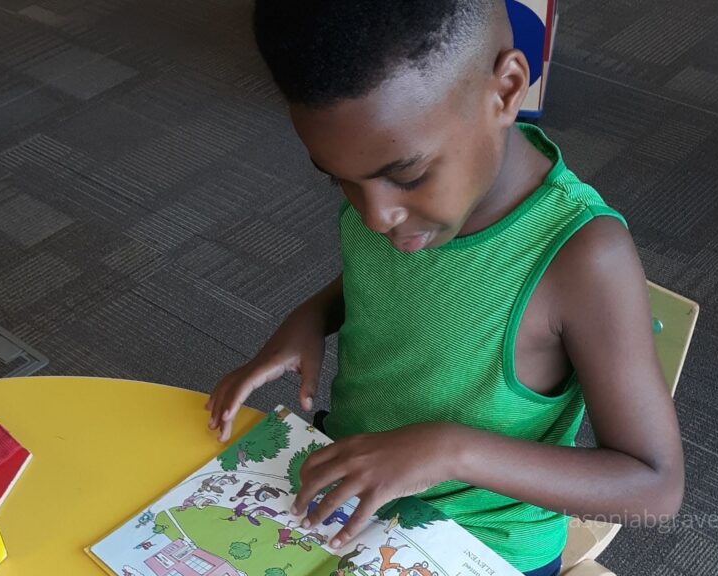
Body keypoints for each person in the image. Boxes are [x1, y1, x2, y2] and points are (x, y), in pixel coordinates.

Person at [206, 1, 684, 574]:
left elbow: (654, 490)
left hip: (482, 540)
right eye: (337, 179)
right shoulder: (396, 202)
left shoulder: (583, 257)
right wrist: (312, 316)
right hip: (349, 486)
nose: (376, 215)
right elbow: (409, 290)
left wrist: (448, 450)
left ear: (507, 90)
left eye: (406, 176)